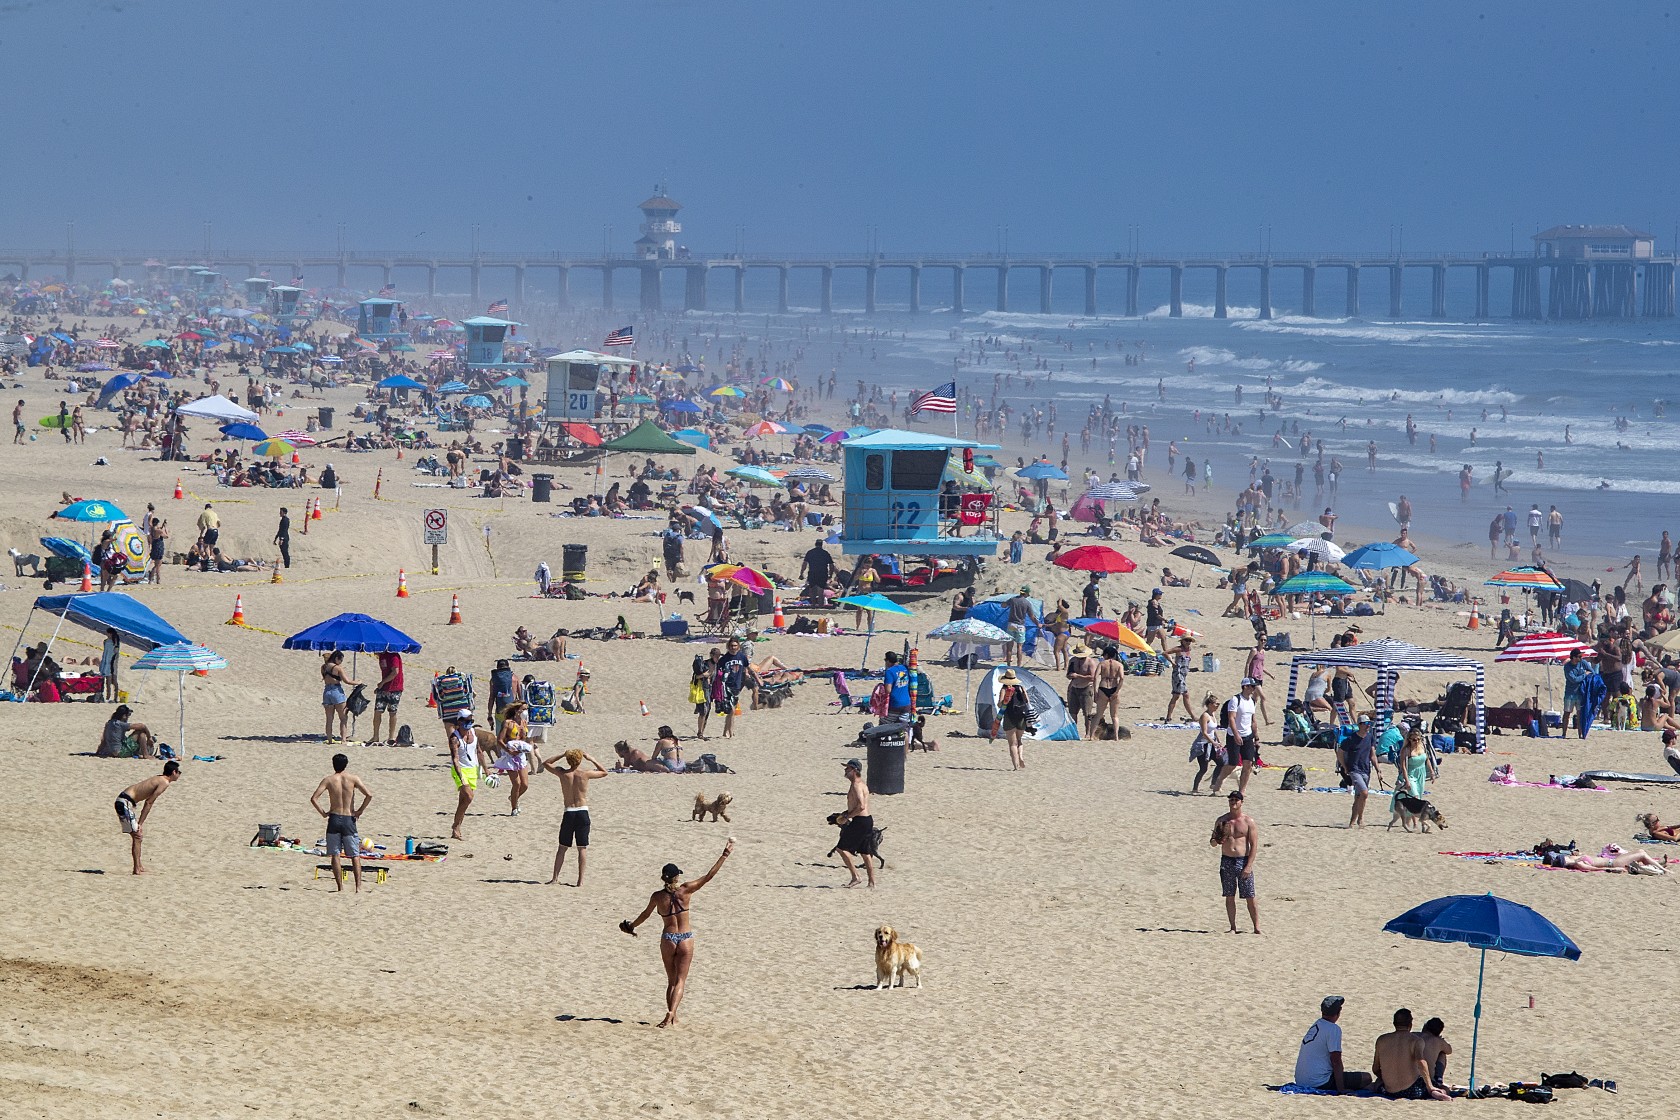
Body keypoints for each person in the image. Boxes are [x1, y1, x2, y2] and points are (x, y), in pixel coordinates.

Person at [620, 840, 734, 1028]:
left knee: (671, 981)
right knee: (681, 980)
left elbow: (645, 915)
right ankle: (672, 1013)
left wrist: (631, 926)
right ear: (676, 877)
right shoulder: (686, 890)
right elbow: (709, 876)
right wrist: (724, 855)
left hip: (668, 939)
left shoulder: (658, 896)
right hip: (685, 938)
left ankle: (672, 1015)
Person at [542, 748, 608, 886]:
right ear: (580, 760)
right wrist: (591, 758)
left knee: (562, 847)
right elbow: (604, 772)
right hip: (582, 812)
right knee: (582, 847)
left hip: (569, 812)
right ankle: (580, 881)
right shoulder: (585, 774)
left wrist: (562, 754)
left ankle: (555, 878)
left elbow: (546, 763)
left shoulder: (562, 773)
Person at [309, 753, 373, 893]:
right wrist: (359, 811)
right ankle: (358, 887)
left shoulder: (328, 780)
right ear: (346, 764)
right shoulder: (353, 779)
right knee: (354, 855)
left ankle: (340, 887)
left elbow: (314, 798)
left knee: (335, 854)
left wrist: (323, 813)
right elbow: (369, 795)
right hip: (348, 818)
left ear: (333, 764)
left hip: (334, 818)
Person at [115, 762, 181, 875]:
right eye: (179, 772)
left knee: (138, 836)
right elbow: (149, 802)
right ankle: (136, 869)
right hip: (124, 803)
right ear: (173, 772)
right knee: (137, 835)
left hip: (124, 802)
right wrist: (141, 823)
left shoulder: (159, 778)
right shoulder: (164, 782)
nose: (179, 774)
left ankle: (139, 866)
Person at [1295, 996, 1371, 1093]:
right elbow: (1336, 1061)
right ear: (1339, 1011)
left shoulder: (1317, 1024)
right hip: (1319, 1081)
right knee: (1366, 1078)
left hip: (1301, 1080)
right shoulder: (1333, 1029)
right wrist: (1341, 1089)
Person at [1372, 1008, 1450, 1100]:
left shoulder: (1381, 1040)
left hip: (1389, 1091)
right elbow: (1421, 1062)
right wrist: (1430, 1087)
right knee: (1444, 1088)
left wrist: (1387, 1079)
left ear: (1394, 1023)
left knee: (1377, 1083)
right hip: (1412, 1091)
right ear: (1410, 1024)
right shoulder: (1416, 1041)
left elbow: (1375, 1068)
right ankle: (1437, 1093)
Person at [1211, 790, 1260, 934]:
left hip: (1243, 860)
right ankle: (1233, 927)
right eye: (1231, 800)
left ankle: (1256, 927)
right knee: (1229, 895)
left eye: (1236, 800)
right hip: (1227, 861)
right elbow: (1213, 843)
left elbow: (1254, 845)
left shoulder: (1248, 822)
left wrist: (1249, 866)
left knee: (1250, 896)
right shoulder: (1222, 821)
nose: (1233, 802)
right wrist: (1218, 839)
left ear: (1241, 802)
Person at [833, 758, 878, 887]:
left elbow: (861, 806)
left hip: (860, 820)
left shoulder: (856, 785)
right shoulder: (862, 784)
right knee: (865, 852)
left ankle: (856, 876)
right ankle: (872, 882)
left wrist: (847, 816)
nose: (845, 770)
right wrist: (846, 813)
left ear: (854, 770)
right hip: (866, 820)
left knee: (841, 848)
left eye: (847, 768)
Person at [1210, 679, 1260, 795]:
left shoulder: (1252, 701)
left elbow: (1253, 720)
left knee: (1248, 764)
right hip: (1234, 736)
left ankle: (1242, 791)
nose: (1254, 689)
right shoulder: (1235, 700)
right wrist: (1236, 734)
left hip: (1248, 736)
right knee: (1233, 764)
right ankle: (1218, 782)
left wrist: (1256, 737)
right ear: (1245, 687)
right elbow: (1231, 718)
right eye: (1252, 686)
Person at [493, 701, 536, 814]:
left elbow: (524, 739)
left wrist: (525, 747)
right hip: (509, 756)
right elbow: (499, 740)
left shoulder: (524, 722)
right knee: (516, 784)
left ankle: (513, 798)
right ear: (517, 711)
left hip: (520, 755)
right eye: (523, 709)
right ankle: (514, 808)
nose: (525, 711)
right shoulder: (507, 723)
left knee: (525, 785)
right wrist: (509, 750)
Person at [1342, 714, 1385, 828]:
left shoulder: (1370, 737)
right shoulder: (1351, 739)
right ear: (1359, 725)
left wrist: (1378, 770)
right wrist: (1345, 767)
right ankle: (1360, 819)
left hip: (1366, 769)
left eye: (1369, 724)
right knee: (1365, 793)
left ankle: (1352, 822)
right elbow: (1340, 752)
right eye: (1366, 724)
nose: (1368, 726)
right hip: (1354, 769)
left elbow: (1372, 755)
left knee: (1359, 797)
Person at [447, 709, 481, 840]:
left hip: (472, 769)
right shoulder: (455, 738)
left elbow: (478, 751)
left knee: (464, 801)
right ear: (459, 721)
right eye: (466, 721)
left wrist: (486, 770)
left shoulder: (473, 732)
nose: (469, 723)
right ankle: (456, 827)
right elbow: (455, 758)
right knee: (469, 796)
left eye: (471, 721)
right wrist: (461, 776)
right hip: (460, 769)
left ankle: (456, 828)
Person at [367, 649, 404, 747]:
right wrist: (380, 686)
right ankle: (375, 736)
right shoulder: (381, 657)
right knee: (377, 711)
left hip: (395, 688)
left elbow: (395, 672)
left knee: (392, 712)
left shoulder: (393, 655)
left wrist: (382, 683)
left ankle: (391, 737)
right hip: (384, 688)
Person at [997, 668, 1031, 770]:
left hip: (1009, 716)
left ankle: (1016, 766)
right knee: (1019, 740)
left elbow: (1000, 704)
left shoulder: (1004, 689)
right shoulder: (1021, 688)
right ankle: (1020, 756)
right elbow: (1027, 701)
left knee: (1012, 743)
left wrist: (1005, 702)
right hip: (1021, 716)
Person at [320, 651, 357, 743]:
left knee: (329, 719)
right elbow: (347, 681)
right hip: (336, 691)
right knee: (343, 717)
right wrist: (358, 682)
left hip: (327, 691)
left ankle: (329, 740)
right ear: (336, 658)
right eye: (341, 660)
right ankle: (343, 739)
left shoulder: (323, 667)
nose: (341, 662)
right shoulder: (338, 668)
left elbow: (325, 678)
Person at [1189, 693, 1220, 792]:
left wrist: (1218, 741)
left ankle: (1213, 783)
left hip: (1212, 744)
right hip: (1202, 745)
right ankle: (1195, 788)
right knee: (1203, 768)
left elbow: (1213, 730)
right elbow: (1204, 733)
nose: (1218, 706)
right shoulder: (1204, 716)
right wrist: (1213, 742)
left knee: (1221, 763)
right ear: (1210, 704)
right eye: (1216, 704)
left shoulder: (1213, 715)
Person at [1065, 642, 1096, 733]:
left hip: (1086, 688)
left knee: (1087, 713)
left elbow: (1093, 677)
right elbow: (1068, 674)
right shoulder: (1073, 661)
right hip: (1074, 688)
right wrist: (1071, 676)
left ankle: (1088, 732)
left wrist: (1078, 676)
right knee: (1073, 712)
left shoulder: (1090, 662)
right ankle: (1074, 732)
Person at [1004, 584, 1039, 666]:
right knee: (1019, 647)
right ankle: (1018, 665)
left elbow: (1003, 605)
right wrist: (1038, 624)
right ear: (1026, 593)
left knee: (1009, 646)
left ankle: (1008, 664)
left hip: (1011, 624)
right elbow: (1032, 616)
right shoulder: (1027, 603)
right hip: (1020, 626)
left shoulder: (1013, 600)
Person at [1416, 1018, 1453, 1091]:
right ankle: (1439, 1078)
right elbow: (1449, 1050)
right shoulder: (1438, 1041)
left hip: (1408, 1078)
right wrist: (1441, 1040)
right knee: (1442, 1053)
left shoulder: (1414, 1035)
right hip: (1428, 1079)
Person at [1162, 638, 1193, 723]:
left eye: (1189, 641)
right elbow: (1164, 653)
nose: (1188, 642)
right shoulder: (1178, 649)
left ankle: (1168, 717)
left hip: (1183, 675)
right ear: (1182, 641)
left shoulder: (1189, 649)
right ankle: (1192, 716)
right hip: (1178, 674)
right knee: (1184, 695)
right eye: (1186, 640)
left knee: (1176, 696)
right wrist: (1172, 662)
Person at [1095, 646, 1125, 731]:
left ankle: (1091, 735)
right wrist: (1117, 691)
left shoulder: (1102, 664)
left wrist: (1095, 691)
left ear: (1107, 655)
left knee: (1098, 715)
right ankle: (1116, 736)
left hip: (1103, 687)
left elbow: (1095, 677)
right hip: (1114, 687)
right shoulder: (1119, 665)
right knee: (1114, 716)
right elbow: (1122, 678)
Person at [882, 650, 912, 719]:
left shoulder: (889, 672)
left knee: (885, 725)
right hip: (907, 703)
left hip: (895, 704)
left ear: (888, 661)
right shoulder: (904, 668)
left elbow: (888, 690)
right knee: (902, 726)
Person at [99, 626, 120, 704]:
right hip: (106, 662)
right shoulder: (106, 641)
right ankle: (108, 697)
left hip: (112, 663)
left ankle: (116, 697)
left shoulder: (116, 642)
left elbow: (116, 654)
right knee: (107, 681)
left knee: (114, 681)